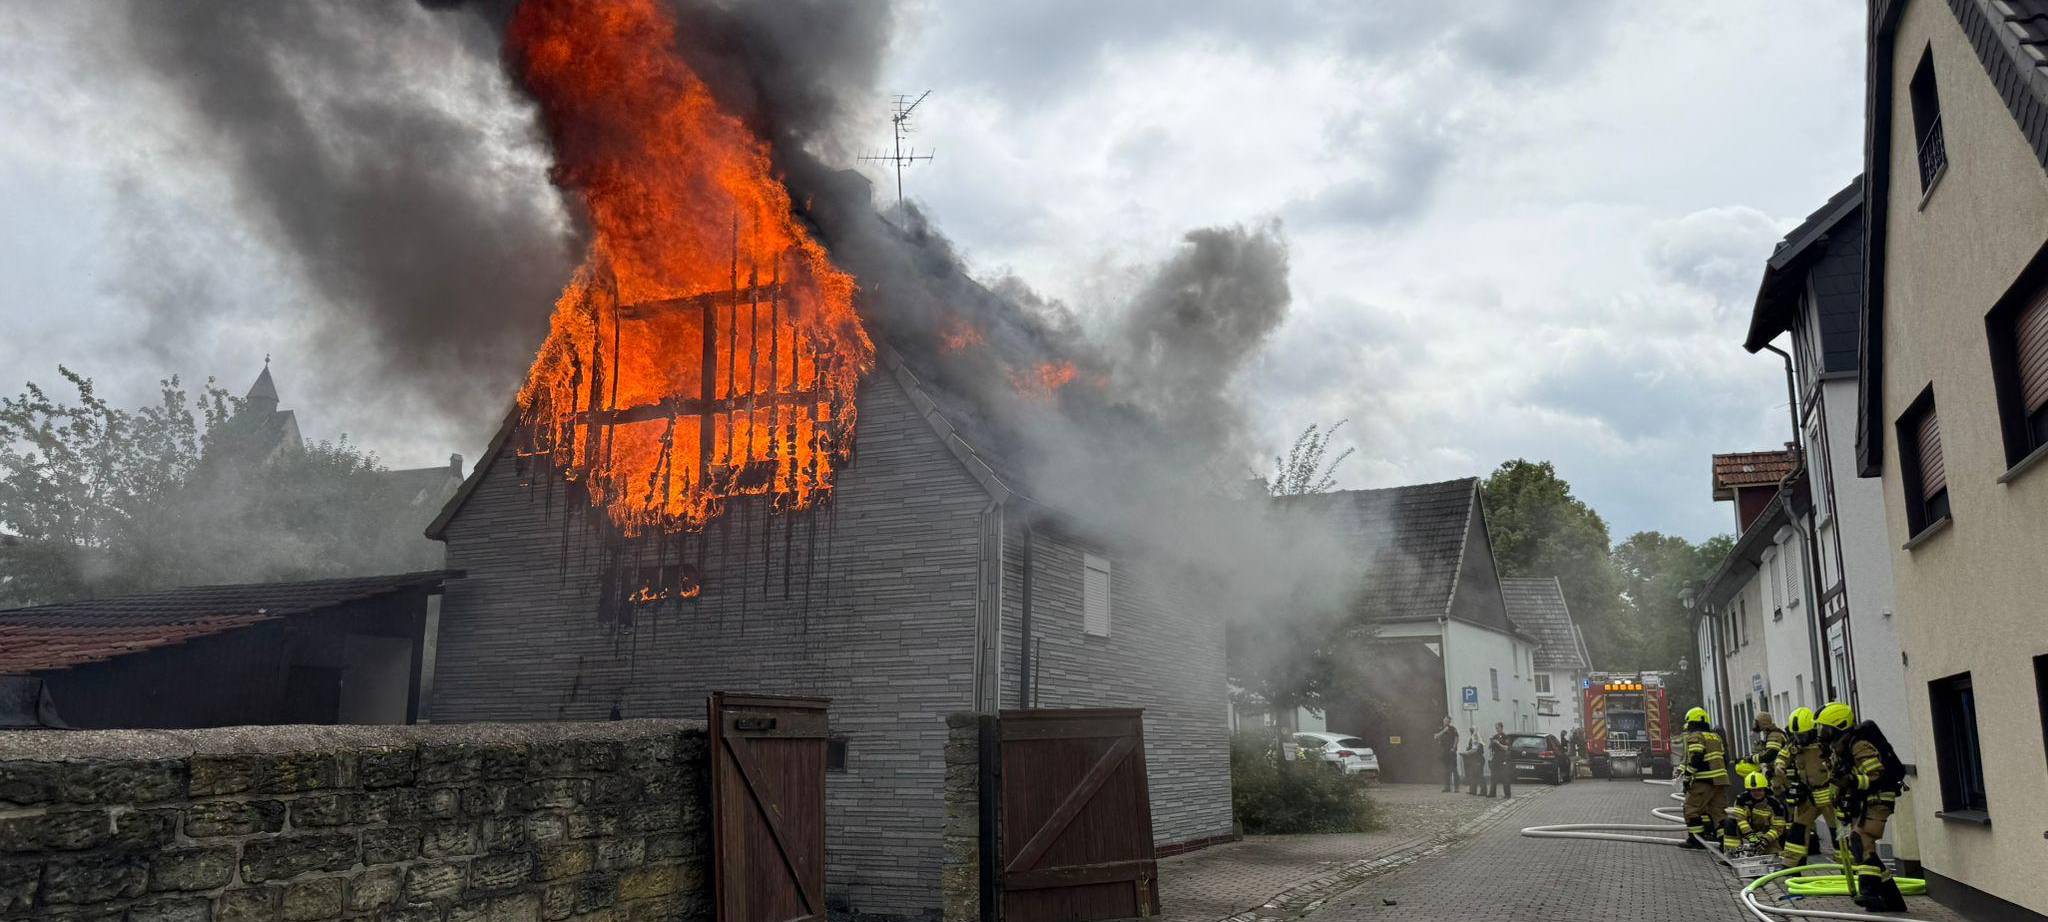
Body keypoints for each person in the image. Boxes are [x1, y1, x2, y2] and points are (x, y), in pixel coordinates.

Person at [1817, 701, 1908, 913]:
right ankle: (1892, 900)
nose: (1822, 733)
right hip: (1866, 799)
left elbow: (1875, 776)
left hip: (1879, 797)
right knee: (1861, 846)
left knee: (1862, 839)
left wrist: (1850, 779)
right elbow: (1840, 782)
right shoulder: (1841, 747)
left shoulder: (1859, 745)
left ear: (1837, 726)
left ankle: (1869, 893)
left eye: (1825, 728)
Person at [1776, 706, 1834, 868]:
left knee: (1838, 834)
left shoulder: (1824, 744)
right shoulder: (1794, 745)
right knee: (1797, 831)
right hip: (1807, 796)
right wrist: (1780, 766)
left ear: (1812, 730)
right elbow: (1782, 756)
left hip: (1829, 795)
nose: (1799, 739)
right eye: (1796, 735)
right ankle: (1791, 866)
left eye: (1802, 735)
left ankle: (1849, 868)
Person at [1677, 706, 1728, 850]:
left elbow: (1696, 757)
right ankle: (1726, 843)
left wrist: (1687, 777)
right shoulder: (1715, 737)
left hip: (1703, 781)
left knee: (1691, 809)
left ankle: (1696, 840)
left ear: (1691, 722)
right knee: (1719, 813)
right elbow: (1723, 757)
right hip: (1720, 781)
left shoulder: (1696, 736)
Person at [1720, 770, 1786, 854]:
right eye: (1753, 790)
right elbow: (1740, 819)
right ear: (1748, 790)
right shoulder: (1742, 799)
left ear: (1765, 789)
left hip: (1766, 833)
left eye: (1759, 790)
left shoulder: (1774, 803)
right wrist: (1750, 835)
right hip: (1747, 830)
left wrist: (1765, 840)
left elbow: (1778, 828)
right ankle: (1732, 852)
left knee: (1774, 853)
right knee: (1730, 821)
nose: (1757, 793)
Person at [1753, 711, 1789, 790]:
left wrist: (1751, 759)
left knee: (1778, 792)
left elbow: (1770, 755)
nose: (1755, 724)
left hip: (1780, 772)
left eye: (1757, 722)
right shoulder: (1769, 734)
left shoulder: (1774, 735)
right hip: (1775, 770)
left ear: (1762, 723)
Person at [1434, 717, 1461, 792]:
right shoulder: (1440, 728)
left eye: (1448, 721)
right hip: (1444, 751)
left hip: (1451, 751)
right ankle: (1447, 787)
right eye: (1445, 720)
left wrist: (1454, 747)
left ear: (1450, 722)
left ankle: (1456, 787)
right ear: (1443, 720)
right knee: (1446, 770)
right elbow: (1435, 737)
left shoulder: (1452, 729)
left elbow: (1456, 738)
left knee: (1454, 769)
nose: (1446, 722)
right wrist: (1443, 731)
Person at [1487, 722, 1513, 798]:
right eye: (1496, 728)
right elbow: (1490, 748)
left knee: (1505, 777)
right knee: (1493, 776)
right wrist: (1491, 742)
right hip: (1496, 758)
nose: (1497, 729)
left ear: (1501, 728)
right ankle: (1492, 793)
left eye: (1498, 728)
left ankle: (1507, 794)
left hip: (1503, 758)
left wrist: (1498, 743)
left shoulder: (1505, 737)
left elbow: (1506, 748)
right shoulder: (1495, 736)